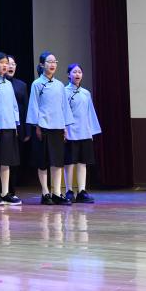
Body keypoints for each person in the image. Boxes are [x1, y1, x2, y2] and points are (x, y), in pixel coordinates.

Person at [27, 52, 73, 206]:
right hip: (43, 127)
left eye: (54, 62)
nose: (53, 64)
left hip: (57, 127)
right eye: (49, 62)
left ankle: (57, 193)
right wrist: (37, 126)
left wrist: (65, 126)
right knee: (43, 161)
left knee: (57, 162)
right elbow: (34, 106)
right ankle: (45, 192)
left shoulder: (60, 85)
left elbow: (64, 107)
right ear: (42, 65)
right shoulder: (37, 84)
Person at [61, 63, 100, 205]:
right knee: (69, 163)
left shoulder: (86, 93)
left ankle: (82, 191)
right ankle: (69, 190)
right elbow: (62, 111)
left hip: (84, 132)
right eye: (74, 72)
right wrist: (63, 129)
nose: (77, 74)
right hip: (70, 132)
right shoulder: (64, 92)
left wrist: (91, 131)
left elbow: (90, 113)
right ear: (68, 75)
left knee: (82, 162)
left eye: (79, 72)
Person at [0, 52, 21, 206]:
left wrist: (16, 125)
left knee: (6, 161)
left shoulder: (8, 84)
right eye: (2, 62)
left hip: (9, 126)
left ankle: (5, 192)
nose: (5, 65)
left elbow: (14, 106)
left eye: (6, 63)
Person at [6, 55, 30, 196]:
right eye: (8, 63)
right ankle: (1, 191)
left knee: (15, 161)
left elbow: (26, 108)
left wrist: (27, 131)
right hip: (3, 126)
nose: (11, 66)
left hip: (19, 128)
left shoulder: (21, 85)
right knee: (3, 160)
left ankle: (12, 190)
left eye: (13, 64)